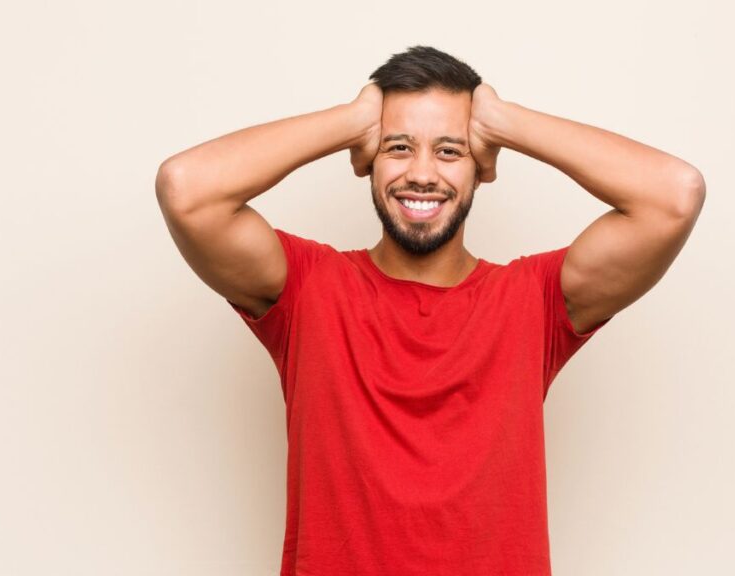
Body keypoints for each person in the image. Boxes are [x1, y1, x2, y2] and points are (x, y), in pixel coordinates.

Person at [155, 45, 704, 576]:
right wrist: (350, 120)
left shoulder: (531, 299)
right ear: (366, 159)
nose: (422, 173)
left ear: (482, 165)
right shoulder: (308, 288)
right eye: (398, 147)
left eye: (450, 150)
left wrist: (505, 121)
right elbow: (187, 190)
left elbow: (674, 195)